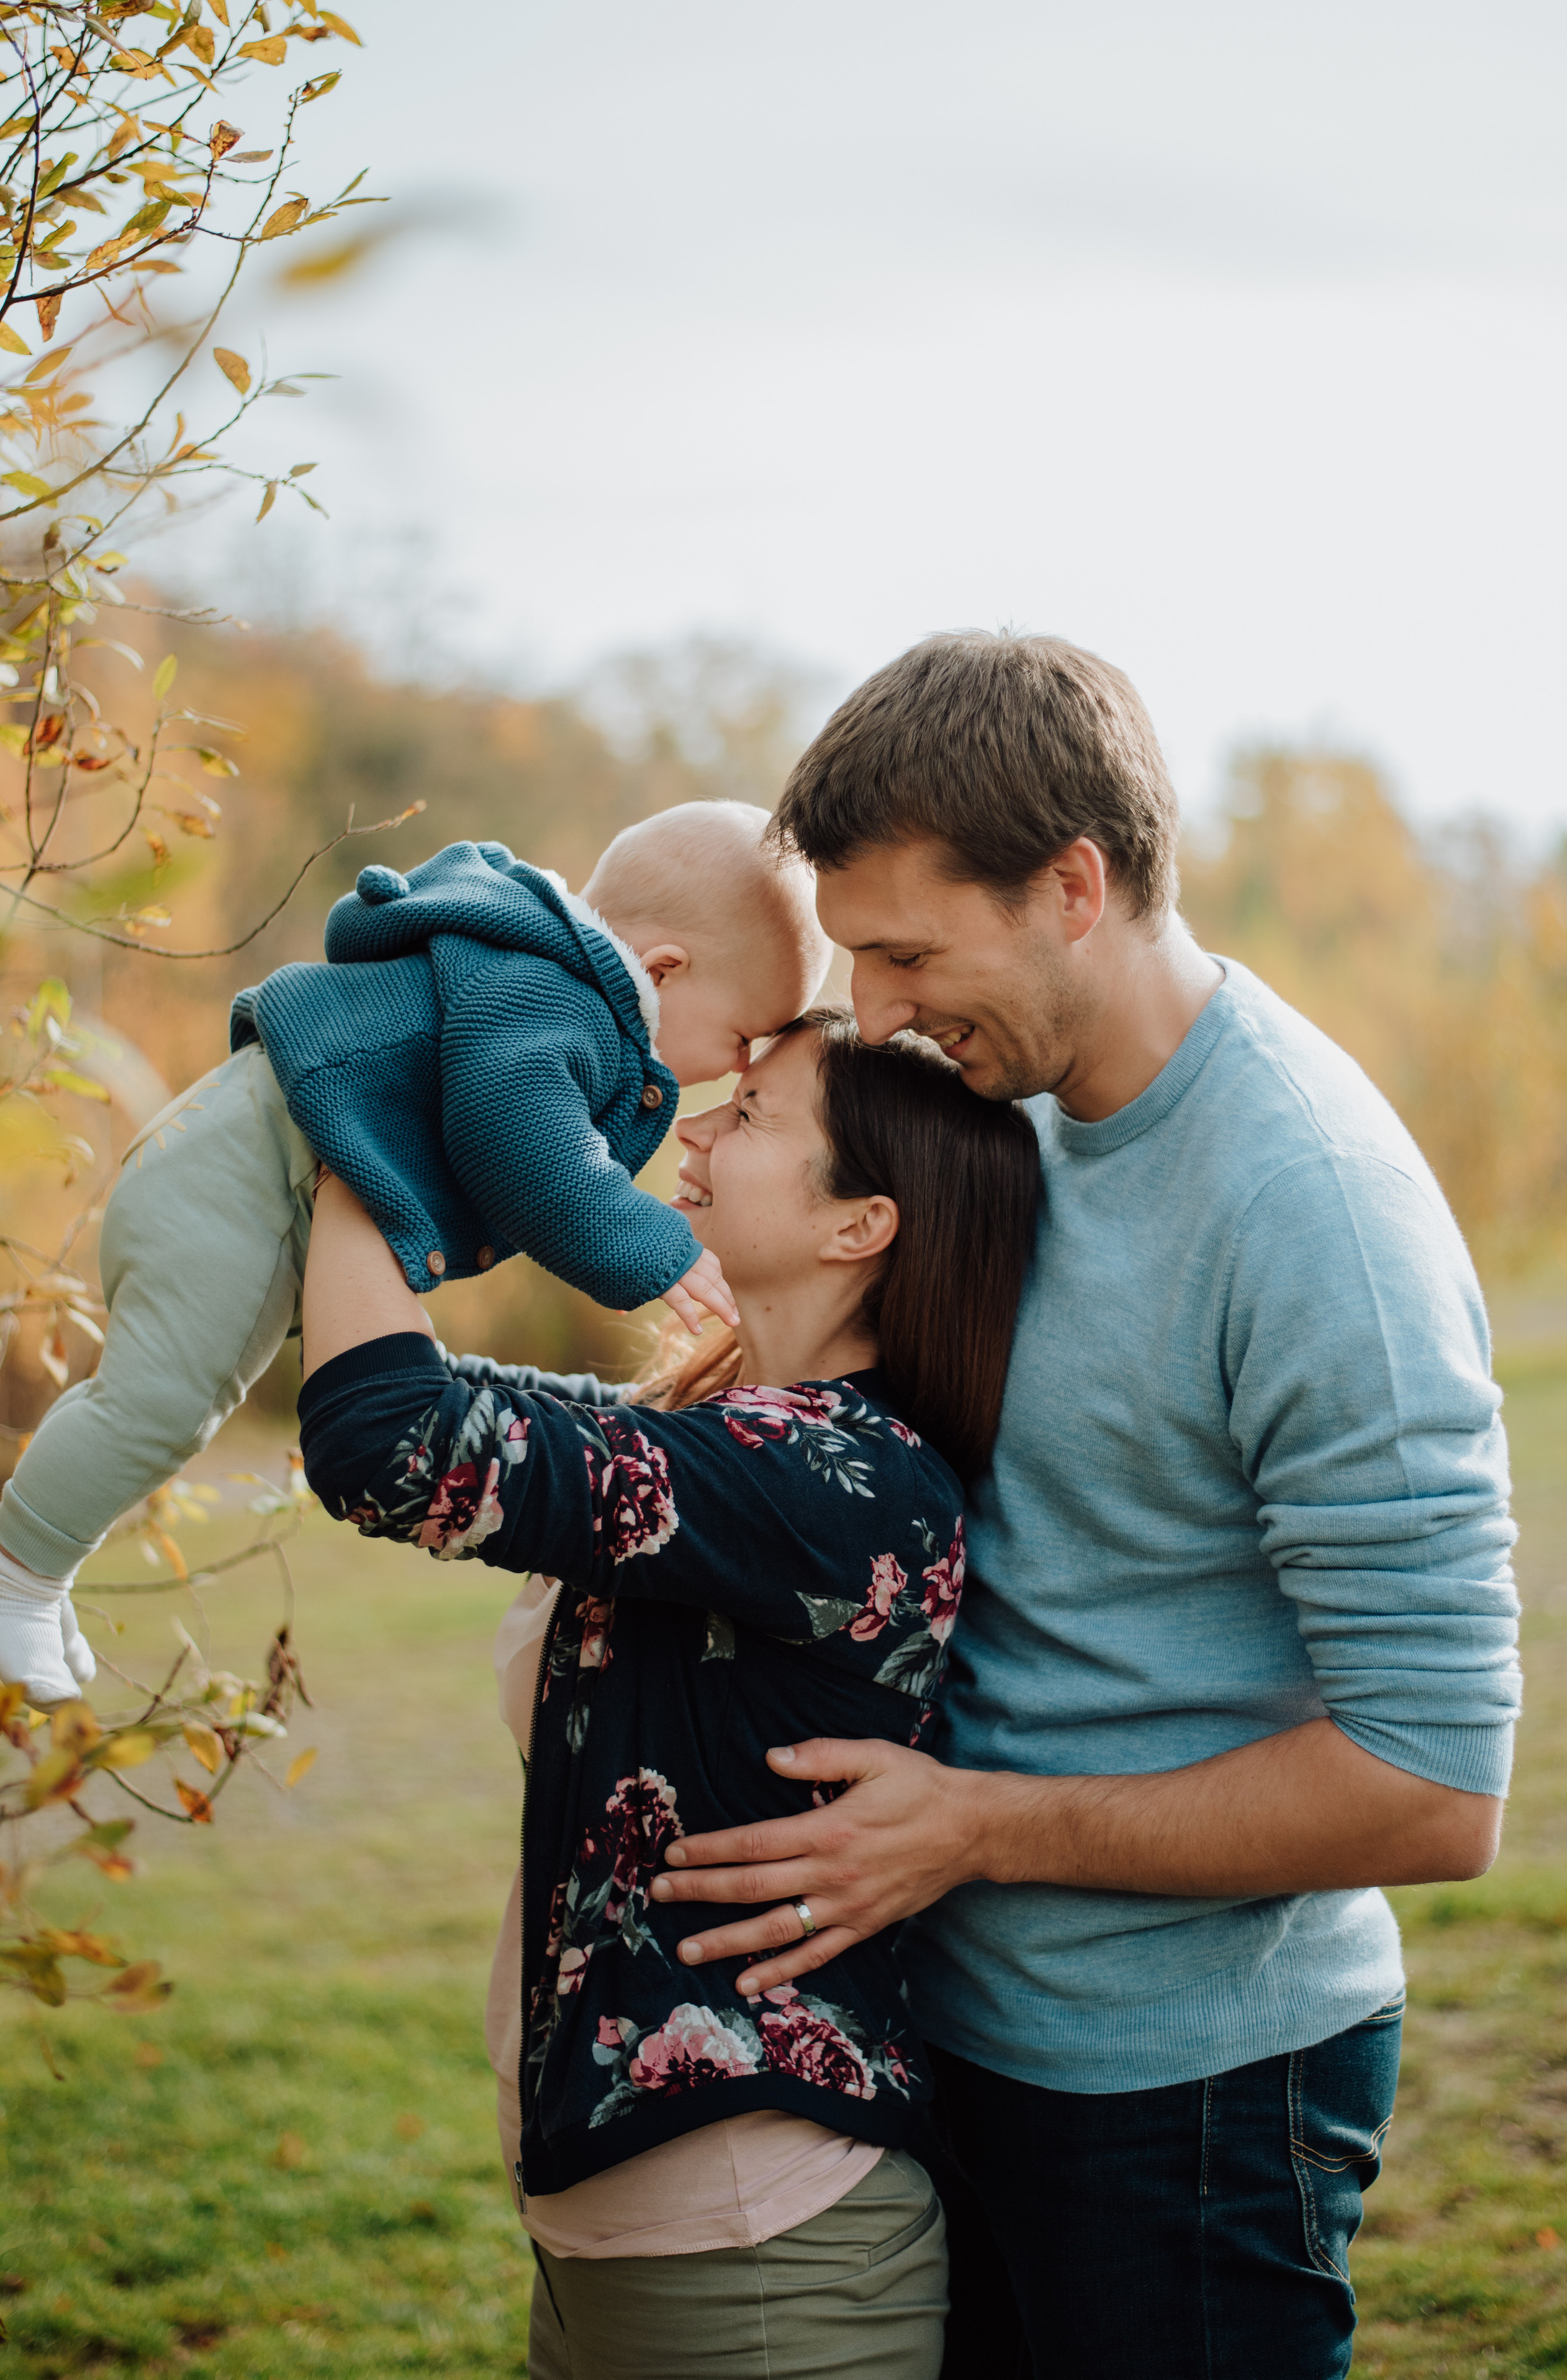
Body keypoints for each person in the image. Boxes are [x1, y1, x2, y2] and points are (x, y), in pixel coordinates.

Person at [645, 633, 1523, 2378]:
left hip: (1192, 2099)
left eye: (906, 953)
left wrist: (972, 1826)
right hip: (939, 2032)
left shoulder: (1311, 1211)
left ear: (1073, 885)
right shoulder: (1001, 1107)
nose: (877, 1011)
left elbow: (1433, 1789)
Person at [296, 1007, 1041, 2380]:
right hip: (635, 2239)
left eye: (750, 1117)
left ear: (857, 1225)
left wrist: (354, 1125)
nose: (696, 1128)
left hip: (755, 2260)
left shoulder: (839, 1477)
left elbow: (391, 1443)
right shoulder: (728, 1441)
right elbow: (429, 1398)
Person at [0, 801, 824, 1706]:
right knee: (159, 1402)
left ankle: (41, 1563)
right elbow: (523, 1142)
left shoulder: (535, 975)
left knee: (182, 1396)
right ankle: (12, 1575)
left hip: (241, 1167)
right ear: (664, 968)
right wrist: (651, 1247)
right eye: (742, 1039)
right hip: (241, 1174)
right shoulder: (555, 996)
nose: (738, 1069)